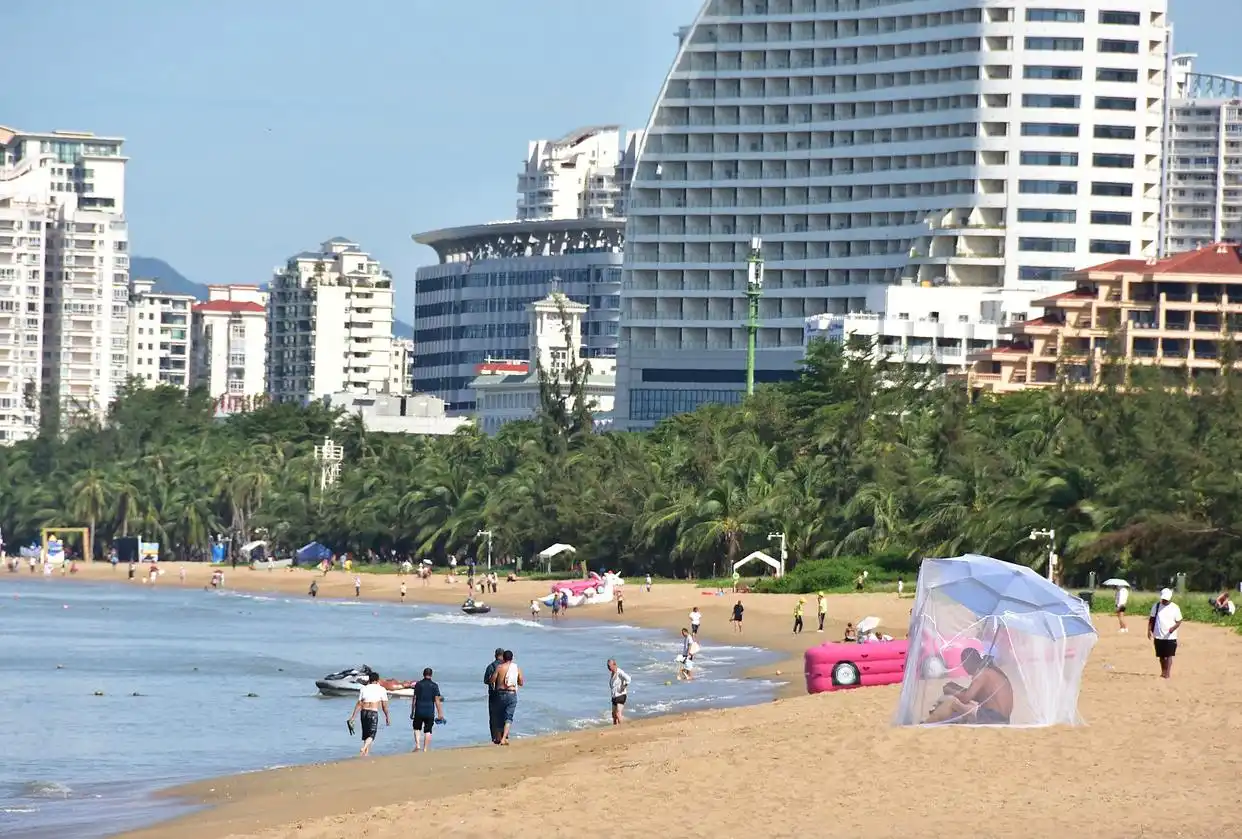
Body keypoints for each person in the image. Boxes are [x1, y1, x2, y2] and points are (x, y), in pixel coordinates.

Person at [925, 648, 1014, 725]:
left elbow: (966, 698)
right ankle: (935, 720)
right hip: (1003, 718)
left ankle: (927, 724)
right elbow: (977, 697)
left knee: (952, 702)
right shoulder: (991, 670)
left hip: (992, 717)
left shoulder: (982, 673)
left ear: (968, 662)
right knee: (965, 706)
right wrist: (956, 688)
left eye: (963, 664)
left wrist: (951, 690)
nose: (965, 669)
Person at [347, 672, 390, 757]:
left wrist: (353, 717)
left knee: (366, 734)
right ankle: (364, 748)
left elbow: (359, 703)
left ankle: (366, 753)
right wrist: (387, 717)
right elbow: (384, 705)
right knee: (371, 735)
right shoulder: (382, 689)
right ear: (378, 680)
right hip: (373, 712)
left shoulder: (364, 688)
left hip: (364, 712)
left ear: (369, 680)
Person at [490, 650, 524, 745]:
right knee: (508, 717)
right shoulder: (516, 668)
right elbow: (521, 682)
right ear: (512, 658)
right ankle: (504, 738)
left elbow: (492, 680)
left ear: (503, 658)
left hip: (500, 694)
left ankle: (498, 737)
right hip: (511, 694)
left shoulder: (499, 667)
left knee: (499, 716)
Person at [1149, 588, 1183, 679]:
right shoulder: (1156, 606)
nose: (1164, 601)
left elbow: (1179, 621)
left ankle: (1167, 673)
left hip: (1170, 636)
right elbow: (1152, 619)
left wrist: (1173, 628)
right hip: (1158, 635)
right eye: (1163, 599)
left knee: (1169, 655)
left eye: (1166, 599)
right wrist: (1149, 630)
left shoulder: (1175, 607)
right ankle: (1163, 671)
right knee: (1161, 656)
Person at [410, 667, 445, 752]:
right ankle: (425, 748)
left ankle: (418, 745)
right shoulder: (434, 685)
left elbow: (414, 699)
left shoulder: (418, 684)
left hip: (419, 710)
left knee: (417, 728)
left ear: (423, 674)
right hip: (429, 711)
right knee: (428, 730)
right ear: (431, 675)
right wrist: (440, 713)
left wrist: (412, 711)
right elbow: (437, 700)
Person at [483, 647, 504, 743]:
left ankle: (495, 737)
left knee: (493, 716)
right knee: (504, 715)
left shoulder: (490, 667)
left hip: (493, 694)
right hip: (505, 693)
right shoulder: (506, 667)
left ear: (495, 655)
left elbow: (486, 681)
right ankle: (504, 735)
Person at [607, 659, 631, 725]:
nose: (608, 667)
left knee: (618, 713)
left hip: (621, 695)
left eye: (609, 666)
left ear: (614, 665)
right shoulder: (612, 673)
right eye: (607, 666)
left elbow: (628, 679)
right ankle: (615, 728)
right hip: (614, 696)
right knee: (614, 715)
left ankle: (621, 728)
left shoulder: (619, 672)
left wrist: (624, 686)